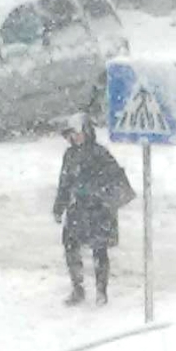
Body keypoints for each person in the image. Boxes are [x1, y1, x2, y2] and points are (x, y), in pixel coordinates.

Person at [53, 113, 135, 305]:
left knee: (99, 251)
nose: (72, 139)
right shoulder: (70, 155)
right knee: (71, 247)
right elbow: (64, 183)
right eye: (69, 135)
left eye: (75, 134)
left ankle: (101, 292)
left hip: (99, 211)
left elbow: (115, 180)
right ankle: (77, 288)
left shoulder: (100, 154)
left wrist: (100, 195)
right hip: (77, 210)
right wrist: (59, 206)